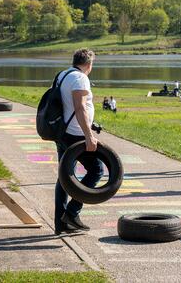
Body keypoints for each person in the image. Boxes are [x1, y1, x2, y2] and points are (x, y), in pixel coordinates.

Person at [53, 49, 103, 235]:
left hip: (63, 132)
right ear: (89, 64)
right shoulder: (81, 78)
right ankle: (72, 213)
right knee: (97, 170)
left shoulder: (63, 74)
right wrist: (88, 135)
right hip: (76, 135)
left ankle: (61, 222)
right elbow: (79, 107)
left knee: (65, 177)